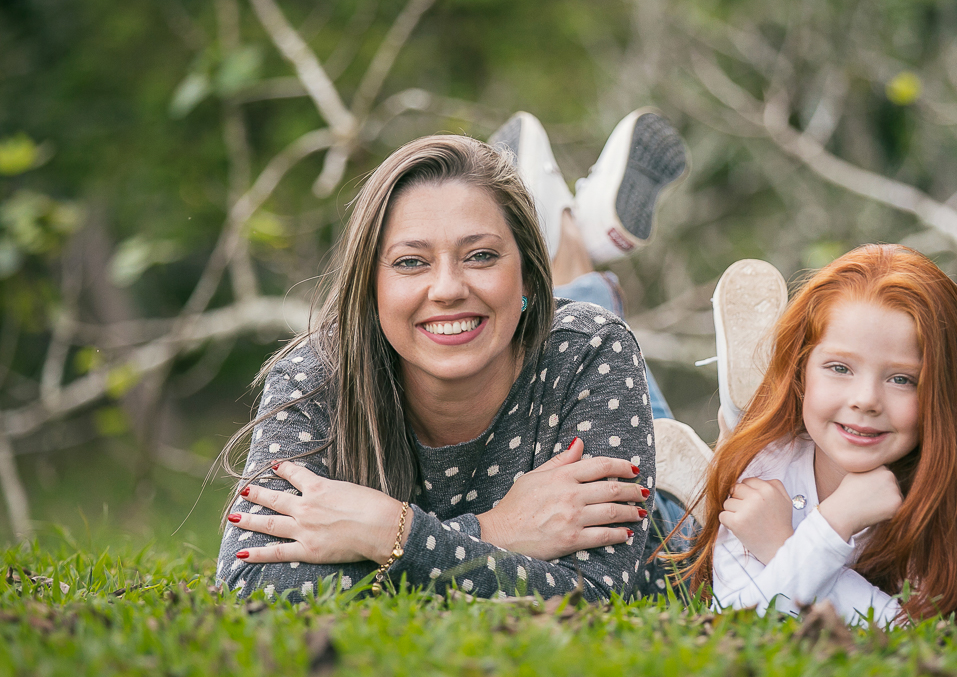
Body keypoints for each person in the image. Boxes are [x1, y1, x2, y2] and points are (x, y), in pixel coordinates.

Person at [215, 110, 688, 602]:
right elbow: (253, 587)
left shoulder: (590, 349)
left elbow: (595, 593)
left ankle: (566, 246)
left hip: (679, 540)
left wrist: (383, 534)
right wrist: (487, 531)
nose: (446, 289)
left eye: (480, 255)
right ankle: (570, 234)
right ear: (370, 287)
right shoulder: (316, 375)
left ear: (528, 273)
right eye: (410, 262)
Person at [661, 246, 957, 628]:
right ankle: (740, 420)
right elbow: (736, 619)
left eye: (902, 379)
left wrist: (791, 544)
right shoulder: (763, 471)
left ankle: (742, 415)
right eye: (840, 368)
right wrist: (834, 522)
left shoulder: (941, 499)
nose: (866, 400)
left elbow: (919, 632)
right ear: (801, 370)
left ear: (946, 394)